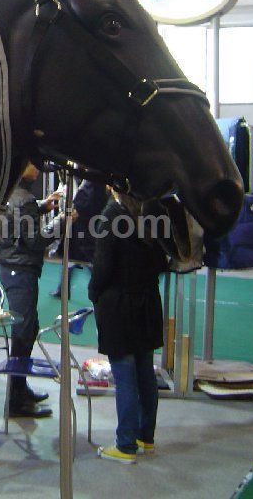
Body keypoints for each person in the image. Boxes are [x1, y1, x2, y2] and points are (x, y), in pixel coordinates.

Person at [88, 190, 168, 464]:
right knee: (145, 373)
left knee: (125, 377)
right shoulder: (151, 212)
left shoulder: (112, 215)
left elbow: (102, 266)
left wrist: (94, 292)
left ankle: (125, 445)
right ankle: (146, 438)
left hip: (120, 305)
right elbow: (162, 262)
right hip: (148, 303)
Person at [0, 163, 68, 418]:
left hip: (11, 266)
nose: (38, 168)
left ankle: (20, 390)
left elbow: (18, 217)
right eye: (33, 164)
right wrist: (61, 222)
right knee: (23, 332)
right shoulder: (23, 198)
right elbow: (35, 240)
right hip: (20, 268)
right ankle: (16, 401)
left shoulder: (11, 191)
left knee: (27, 328)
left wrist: (43, 206)